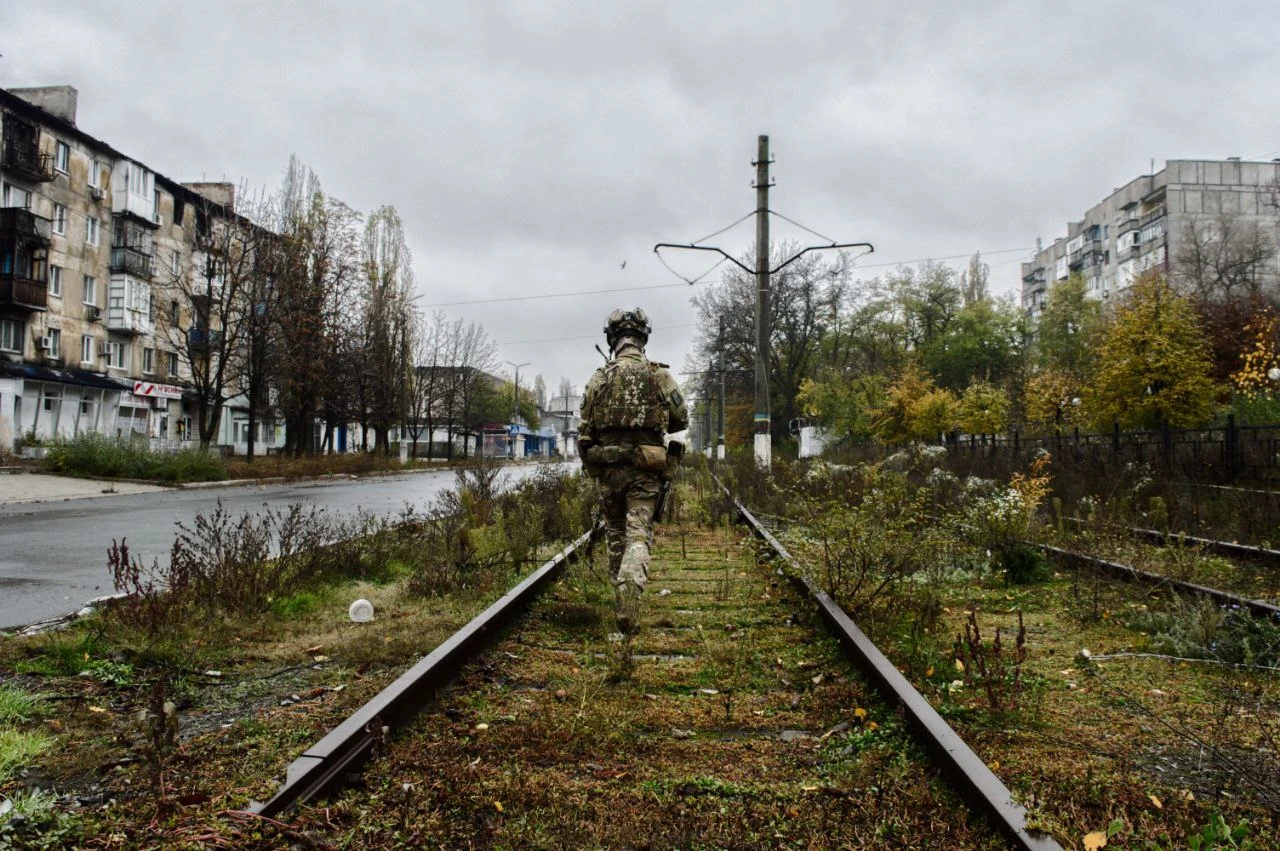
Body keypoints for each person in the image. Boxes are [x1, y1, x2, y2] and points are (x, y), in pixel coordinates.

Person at [579, 308, 688, 634]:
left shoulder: (599, 378)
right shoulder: (659, 376)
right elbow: (681, 420)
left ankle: (620, 602)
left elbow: (586, 430)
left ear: (613, 340)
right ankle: (630, 595)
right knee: (638, 535)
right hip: (646, 472)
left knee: (615, 538)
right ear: (643, 339)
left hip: (610, 472)